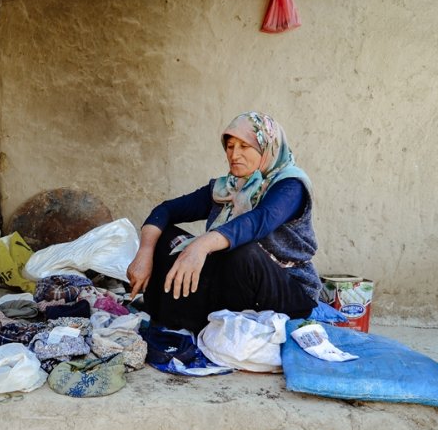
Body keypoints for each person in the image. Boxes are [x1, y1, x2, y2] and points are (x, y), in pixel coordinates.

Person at [126, 111, 320, 333]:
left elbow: (259, 221)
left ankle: (200, 322)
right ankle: (168, 319)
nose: (234, 154)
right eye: (230, 146)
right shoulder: (226, 188)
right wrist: (145, 252)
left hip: (288, 289)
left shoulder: (290, 185)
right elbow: (165, 210)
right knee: (166, 238)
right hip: (236, 282)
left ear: (267, 147)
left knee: (243, 253)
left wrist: (201, 245)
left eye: (244, 146)